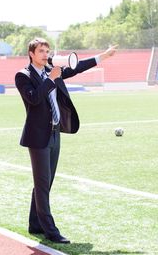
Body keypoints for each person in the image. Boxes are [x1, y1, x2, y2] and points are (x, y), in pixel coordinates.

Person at [15, 37, 117, 244]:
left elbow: (77, 67)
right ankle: (50, 231)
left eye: (47, 50)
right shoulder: (23, 76)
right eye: (41, 51)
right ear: (31, 54)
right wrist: (51, 79)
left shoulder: (52, 69)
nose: (46, 54)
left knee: (46, 182)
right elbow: (34, 99)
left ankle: (35, 224)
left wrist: (103, 56)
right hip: (38, 137)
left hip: (54, 133)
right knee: (42, 184)